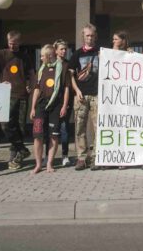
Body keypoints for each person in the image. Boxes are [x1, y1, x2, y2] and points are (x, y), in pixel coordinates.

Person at [0, 30, 35, 170]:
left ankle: (15, 158)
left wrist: (31, 86)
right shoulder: (3, 54)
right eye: (10, 43)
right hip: (6, 95)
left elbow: (32, 74)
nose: (12, 46)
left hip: (22, 96)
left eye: (14, 43)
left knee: (20, 127)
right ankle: (23, 150)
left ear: (19, 42)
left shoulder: (25, 57)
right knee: (5, 125)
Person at [30, 44, 70, 174]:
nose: (41, 58)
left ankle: (49, 164)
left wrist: (64, 105)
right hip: (41, 105)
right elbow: (36, 88)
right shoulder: (41, 69)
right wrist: (33, 107)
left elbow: (66, 88)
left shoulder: (63, 67)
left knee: (54, 135)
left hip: (56, 106)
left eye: (42, 56)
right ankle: (38, 164)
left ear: (49, 56)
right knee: (37, 135)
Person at [69, 23, 100, 171]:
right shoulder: (76, 54)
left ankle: (95, 157)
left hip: (96, 95)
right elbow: (71, 76)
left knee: (97, 127)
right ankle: (81, 157)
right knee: (79, 127)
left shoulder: (101, 53)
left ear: (95, 36)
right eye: (87, 35)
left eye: (92, 35)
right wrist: (76, 90)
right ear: (83, 37)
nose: (90, 38)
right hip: (81, 95)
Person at [53, 39, 73, 167]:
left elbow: (68, 85)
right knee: (50, 131)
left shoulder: (68, 65)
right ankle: (48, 157)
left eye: (65, 49)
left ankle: (65, 156)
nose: (64, 51)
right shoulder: (50, 64)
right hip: (52, 103)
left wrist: (65, 105)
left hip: (65, 101)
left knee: (64, 129)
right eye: (61, 49)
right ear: (55, 51)